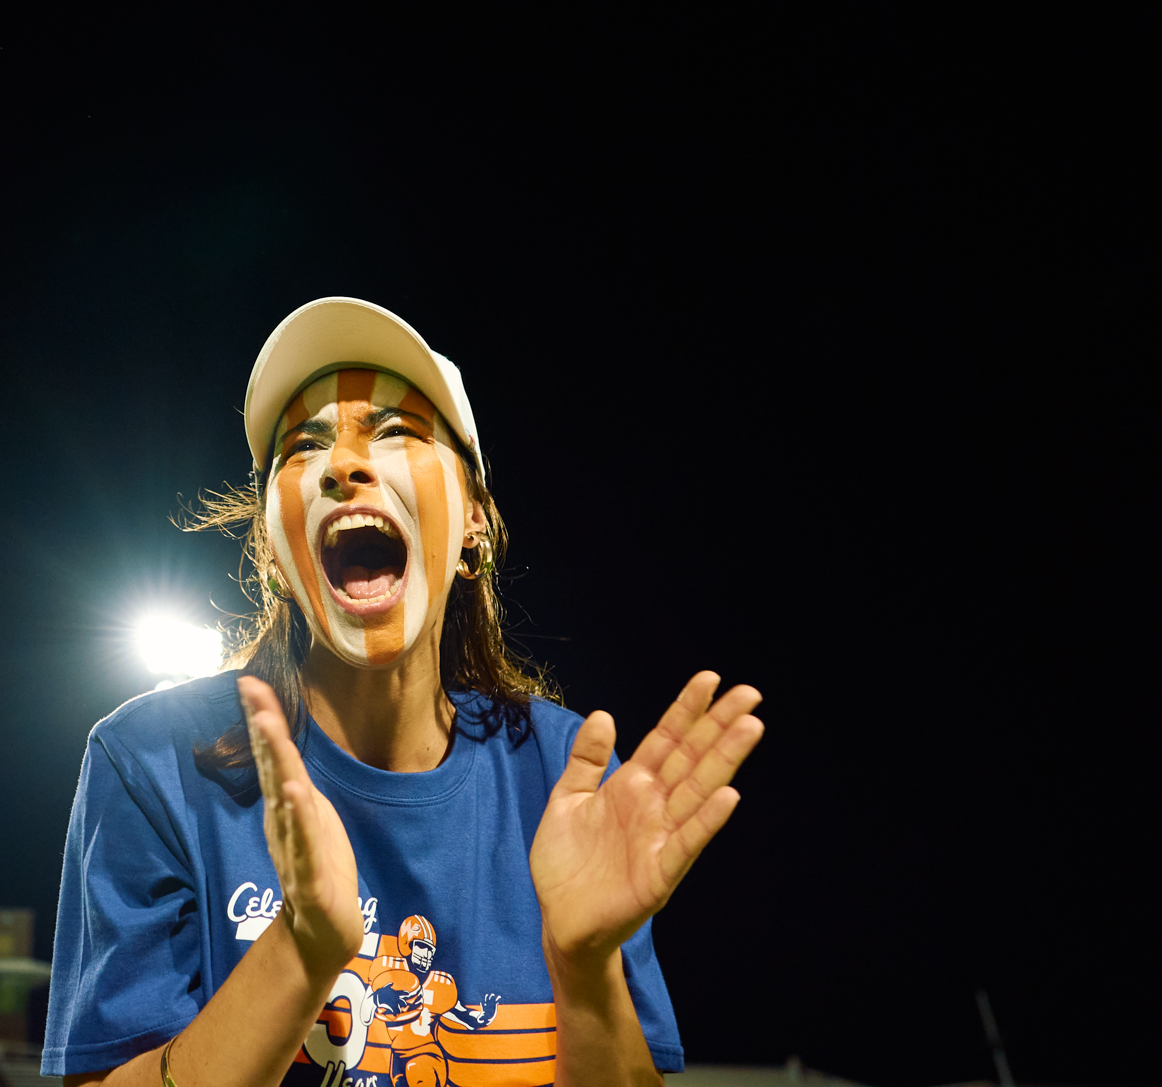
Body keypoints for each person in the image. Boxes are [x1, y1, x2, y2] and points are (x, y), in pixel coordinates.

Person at [44, 297, 764, 1087]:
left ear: (473, 529)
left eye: (395, 433)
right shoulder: (152, 760)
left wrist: (583, 964)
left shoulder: (563, 772)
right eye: (303, 446)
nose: (343, 466)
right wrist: (302, 945)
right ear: (275, 555)